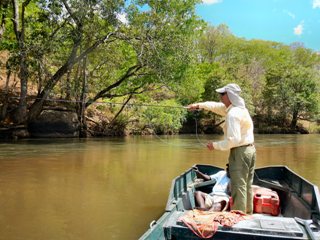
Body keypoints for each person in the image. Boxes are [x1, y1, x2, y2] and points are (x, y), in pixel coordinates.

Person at [188, 83, 256, 214]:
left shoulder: (232, 114)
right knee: (247, 185)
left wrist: (214, 145)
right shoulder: (239, 109)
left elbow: (233, 140)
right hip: (250, 151)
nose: (220, 96)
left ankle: (239, 216)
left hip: (240, 151)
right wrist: (198, 105)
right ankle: (248, 213)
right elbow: (214, 106)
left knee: (238, 186)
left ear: (229, 95)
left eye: (222, 94)